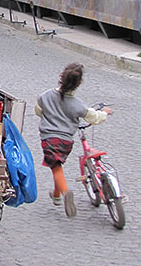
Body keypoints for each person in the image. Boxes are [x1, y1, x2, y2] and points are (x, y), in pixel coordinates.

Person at [35, 63, 112, 218]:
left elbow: (38, 111)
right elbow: (94, 117)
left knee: (55, 167)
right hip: (66, 141)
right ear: (79, 84)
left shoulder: (45, 96)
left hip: (49, 138)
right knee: (57, 165)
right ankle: (56, 195)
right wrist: (104, 113)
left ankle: (65, 192)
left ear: (61, 77)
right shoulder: (78, 105)